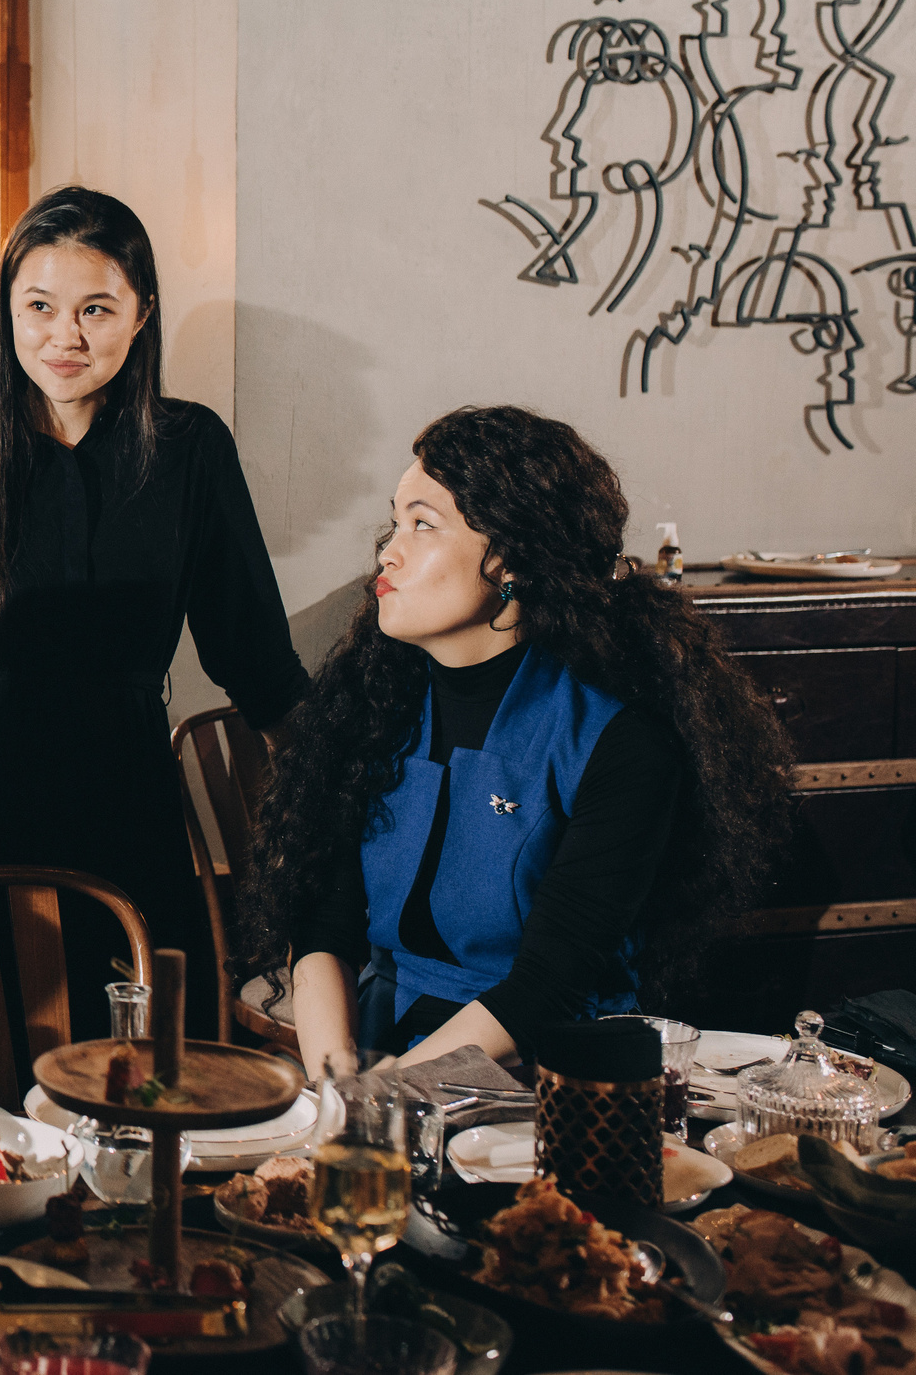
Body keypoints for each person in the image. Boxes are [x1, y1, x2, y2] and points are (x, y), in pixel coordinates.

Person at [0, 187, 308, 1041]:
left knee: (136, 1070)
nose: (66, 336)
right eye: (40, 307)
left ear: (141, 315)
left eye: (96, 308)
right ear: (7, 314)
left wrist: (332, 797)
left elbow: (256, 657)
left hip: (121, 796)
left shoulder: (191, 449)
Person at [241, 406, 792, 1078]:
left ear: (508, 562)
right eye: (395, 521)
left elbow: (547, 983)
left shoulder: (620, 740)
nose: (389, 551)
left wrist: (385, 1094)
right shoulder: (372, 701)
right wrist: (334, 1076)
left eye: (423, 524)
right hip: (383, 1040)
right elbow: (324, 922)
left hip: (547, 1072)